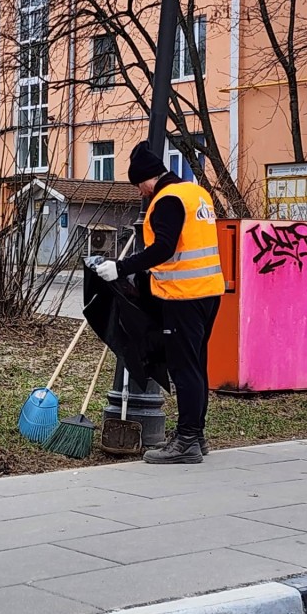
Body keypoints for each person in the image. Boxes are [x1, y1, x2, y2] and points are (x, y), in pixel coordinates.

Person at [94, 140, 224, 464]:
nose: (140, 192)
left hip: (185, 297)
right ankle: (197, 434)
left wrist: (121, 268)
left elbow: (164, 248)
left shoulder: (167, 200)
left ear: (149, 178)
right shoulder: (196, 193)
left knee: (184, 369)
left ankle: (187, 440)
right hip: (209, 292)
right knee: (196, 366)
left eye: (139, 185)